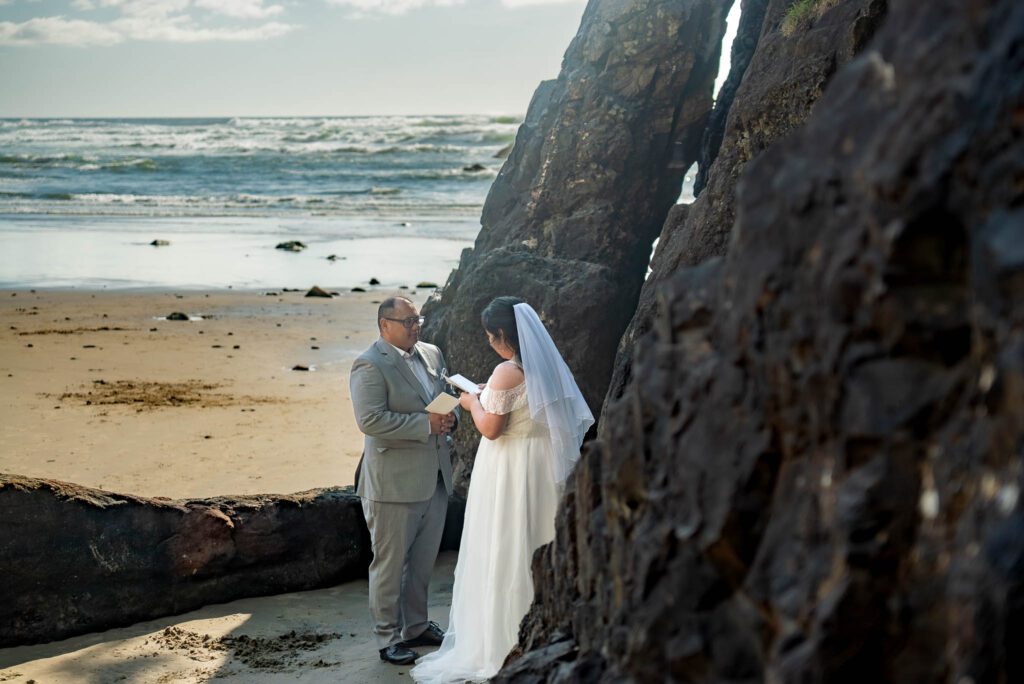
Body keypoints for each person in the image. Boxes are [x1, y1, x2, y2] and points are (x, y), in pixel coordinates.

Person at [410, 296, 594, 682]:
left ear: (500, 335)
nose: (489, 343)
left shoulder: (507, 371)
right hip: (542, 463)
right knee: (537, 536)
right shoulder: (543, 367)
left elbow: (491, 427)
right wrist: (486, 394)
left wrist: (469, 401)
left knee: (509, 543)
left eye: (490, 336)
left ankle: (503, 641)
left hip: (514, 468)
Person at [350, 296, 457, 666]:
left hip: (436, 477)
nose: (417, 326)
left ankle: (416, 626)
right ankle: (387, 638)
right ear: (384, 325)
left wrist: (449, 417)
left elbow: (445, 397)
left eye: (418, 319)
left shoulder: (432, 352)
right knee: (390, 565)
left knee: (424, 561)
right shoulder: (369, 364)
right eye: (409, 321)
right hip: (392, 484)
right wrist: (424, 425)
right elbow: (370, 421)